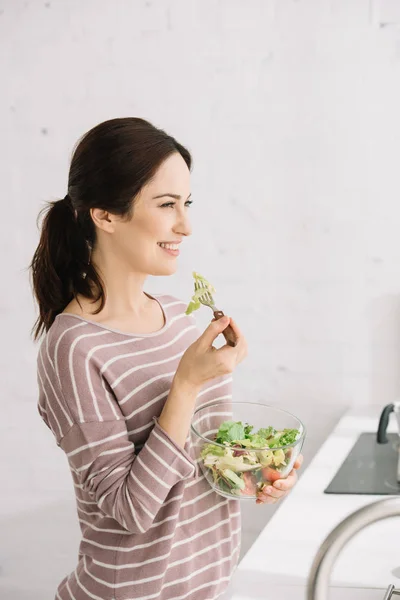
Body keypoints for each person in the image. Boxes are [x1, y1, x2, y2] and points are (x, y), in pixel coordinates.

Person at [29, 117, 303, 600]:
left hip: (209, 587)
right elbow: (130, 510)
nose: (186, 225)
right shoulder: (73, 347)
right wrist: (186, 385)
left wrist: (257, 471)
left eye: (187, 203)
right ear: (105, 215)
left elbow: (206, 458)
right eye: (166, 205)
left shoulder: (180, 317)